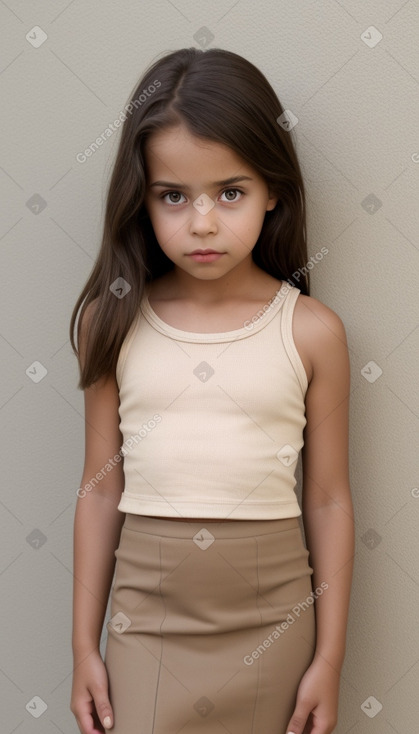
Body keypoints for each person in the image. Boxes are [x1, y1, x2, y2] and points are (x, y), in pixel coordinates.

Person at [69, 47, 354, 734]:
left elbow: (327, 497)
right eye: (173, 195)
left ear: (272, 190)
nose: (201, 223)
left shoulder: (312, 332)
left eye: (230, 192)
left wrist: (330, 659)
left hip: (272, 621)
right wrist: (83, 646)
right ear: (142, 198)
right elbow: (100, 488)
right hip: (147, 620)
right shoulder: (111, 319)